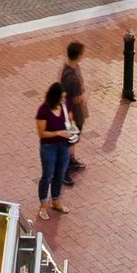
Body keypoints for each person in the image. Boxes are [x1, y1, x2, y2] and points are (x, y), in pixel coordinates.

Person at [34, 82, 74, 219]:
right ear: (54, 97)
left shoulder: (65, 105)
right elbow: (42, 133)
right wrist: (59, 133)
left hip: (63, 146)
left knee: (60, 174)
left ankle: (56, 201)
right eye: (61, 98)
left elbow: (70, 119)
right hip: (48, 148)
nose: (64, 100)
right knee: (47, 175)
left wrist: (72, 128)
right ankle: (43, 205)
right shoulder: (43, 110)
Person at [59, 41, 89, 183]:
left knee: (72, 139)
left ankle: (70, 160)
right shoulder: (72, 78)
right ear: (78, 55)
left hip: (73, 112)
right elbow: (76, 99)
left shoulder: (70, 67)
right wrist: (84, 96)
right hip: (73, 113)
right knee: (69, 139)